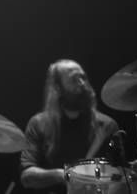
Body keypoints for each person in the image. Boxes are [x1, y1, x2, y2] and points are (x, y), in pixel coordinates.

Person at [20, 59, 120, 192]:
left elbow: (121, 176)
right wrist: (63, 175)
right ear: (58, 88)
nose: (82, 84)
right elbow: (27, 177)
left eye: (83, 77)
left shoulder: (107, 125)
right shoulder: (39, 123)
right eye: (74, 79)